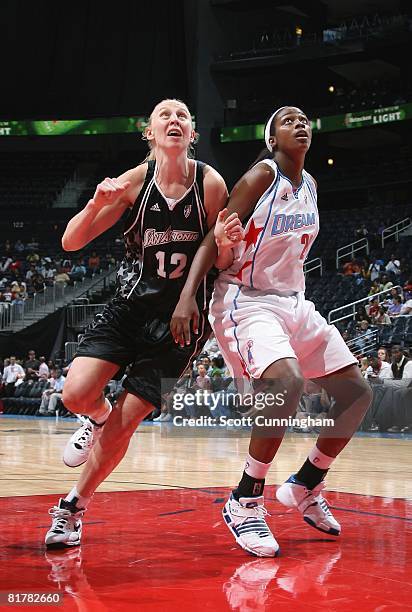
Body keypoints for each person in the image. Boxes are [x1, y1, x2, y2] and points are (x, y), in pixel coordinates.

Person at [171, 105, 372, 557]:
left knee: (357, 393)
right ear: (271, 139)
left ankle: (306, 484)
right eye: (288, 120)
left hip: (294, 301)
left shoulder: (312, 185)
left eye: (305, 119)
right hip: (247, 298)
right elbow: (211, 239)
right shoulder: (261, 177)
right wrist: (187, 297)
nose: (300, 124)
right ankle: (245, 498)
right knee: (286, 382)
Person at [44, 98, 228, 548]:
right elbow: (71, 241)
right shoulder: (135, 182)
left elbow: (220, 259)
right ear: (149, 133)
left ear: (192, 133)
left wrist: (225, 248)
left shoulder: (210, 183)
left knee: (129, 422)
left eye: (182, 115)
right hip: (130, 305)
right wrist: (94, 204)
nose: (174, 120)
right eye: (164, 115)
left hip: (182, 323)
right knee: (75, 394)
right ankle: (97, 417)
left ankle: (72, 508)